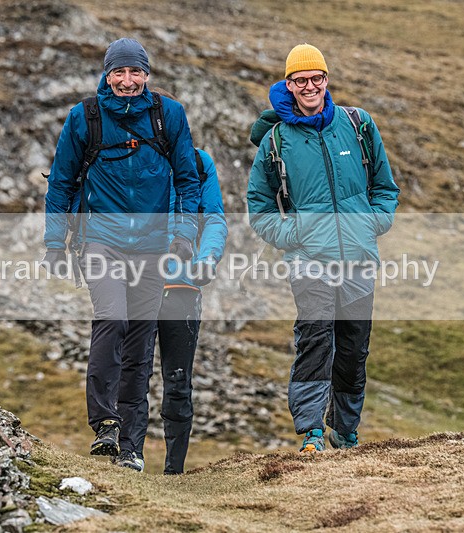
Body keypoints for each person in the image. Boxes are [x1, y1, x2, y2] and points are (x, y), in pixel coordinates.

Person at [42, 38, 201, 470]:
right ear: (107, 74)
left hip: (153, 247)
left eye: (135, 72)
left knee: (140, 346)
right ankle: (105, 424)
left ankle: (130, 448)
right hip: (101, 242)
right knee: (111, 318)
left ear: (146, 74)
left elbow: (188, 179)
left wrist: (184, 234)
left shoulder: (169, 115)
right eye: (119, 72)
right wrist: (55, 243)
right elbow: (61, 183)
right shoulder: (85, 117)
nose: (127, 81)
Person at [246, 43, 399, 453]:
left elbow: (385, 187)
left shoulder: (358, 124)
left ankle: (345, 432)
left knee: (353, 348)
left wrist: (372, 223)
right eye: (301, 80)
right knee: (315, 339)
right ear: (289, 85)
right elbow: (259, 208)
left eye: (316, 78)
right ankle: (312, 431)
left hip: (358, 259)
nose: (310, 86)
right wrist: (294, 236)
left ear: (326, 80)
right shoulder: (276, 140)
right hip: (309, 261)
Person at [117, 87, 227, 474]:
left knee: (178, 380)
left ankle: (174, 473)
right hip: (135, 283)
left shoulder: (198, 163)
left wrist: (206, 259)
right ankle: (129, 456)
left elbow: (214, 219)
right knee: (133, 372)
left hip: (182, 287)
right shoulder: (122, 160)